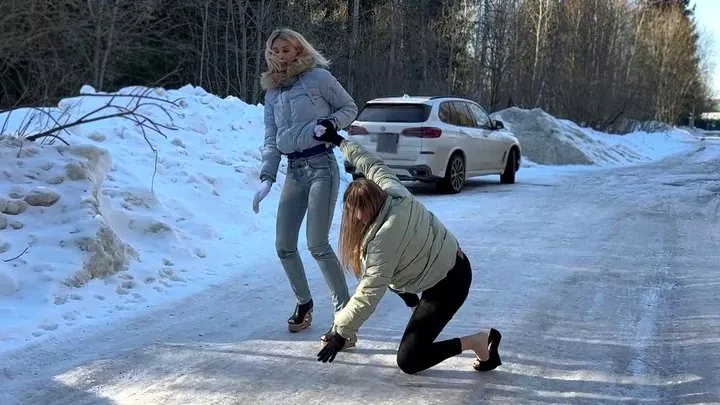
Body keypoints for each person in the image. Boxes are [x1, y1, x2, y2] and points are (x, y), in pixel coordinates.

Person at [311, 125, 503, 374]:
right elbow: (368, 161)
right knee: (394, 275)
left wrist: (340, 332)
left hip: (449, 283)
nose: (351, 218)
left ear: (363, 212)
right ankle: (419, 310)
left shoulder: (384, 237)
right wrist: (338, 139)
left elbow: (369, 291)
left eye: (353, 212)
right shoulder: (390, 189)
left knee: (410, 360)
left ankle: (477, 341)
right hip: (444, 263)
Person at [252, 28, 358, 336]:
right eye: (276, 51)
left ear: (299, 50)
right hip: (294, 171)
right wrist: (266, 177)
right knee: (284, 246)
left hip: (322, 166)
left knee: (317, 244)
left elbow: (348, 107)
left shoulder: (318, 78)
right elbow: (271, 140)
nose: (281, 55)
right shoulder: (272, 93)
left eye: (287, 49)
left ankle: (344, 316)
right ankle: (304, 303)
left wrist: (330, 124)